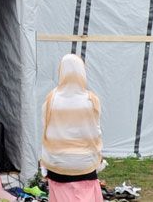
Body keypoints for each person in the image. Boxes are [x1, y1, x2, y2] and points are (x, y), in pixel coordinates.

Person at [40, 54, 104, 202]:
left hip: (57, 163)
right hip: (85, 163)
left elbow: (46, 129)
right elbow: (96, 131)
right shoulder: (91, 99)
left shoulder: (51, 99)